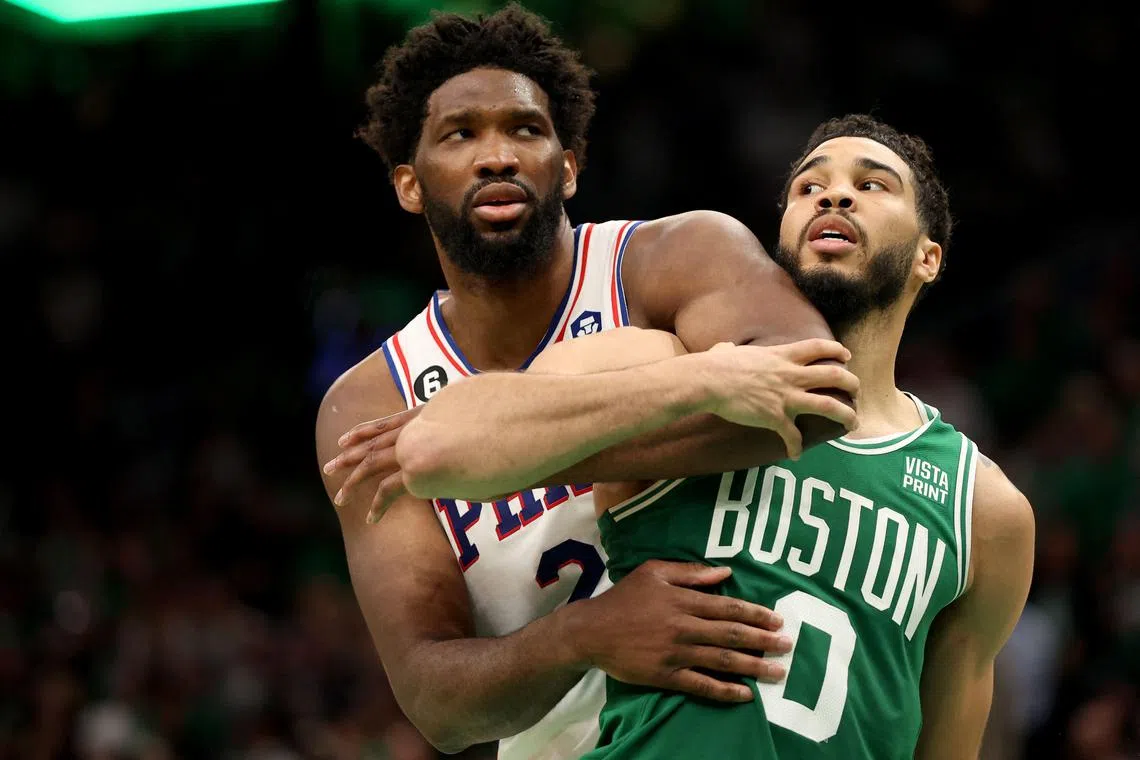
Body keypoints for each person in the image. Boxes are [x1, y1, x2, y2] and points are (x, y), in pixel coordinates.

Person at [362, 114, 1037, 759]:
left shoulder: (984, 509)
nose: (832, 193)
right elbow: (436, 445)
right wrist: (711, 379)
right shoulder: (666, 364)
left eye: (872, 185)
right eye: (809, 186)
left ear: (928, 257)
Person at [316, 4, 859, 759]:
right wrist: (586, 636)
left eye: (525, 129)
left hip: (740, 727)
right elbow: (435, 699)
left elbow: (821, 397)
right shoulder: (374, 400)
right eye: (460, 135)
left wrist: (499, 451)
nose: (497, 156)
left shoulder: (670, 259)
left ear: (568, 165)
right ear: (410, 184)